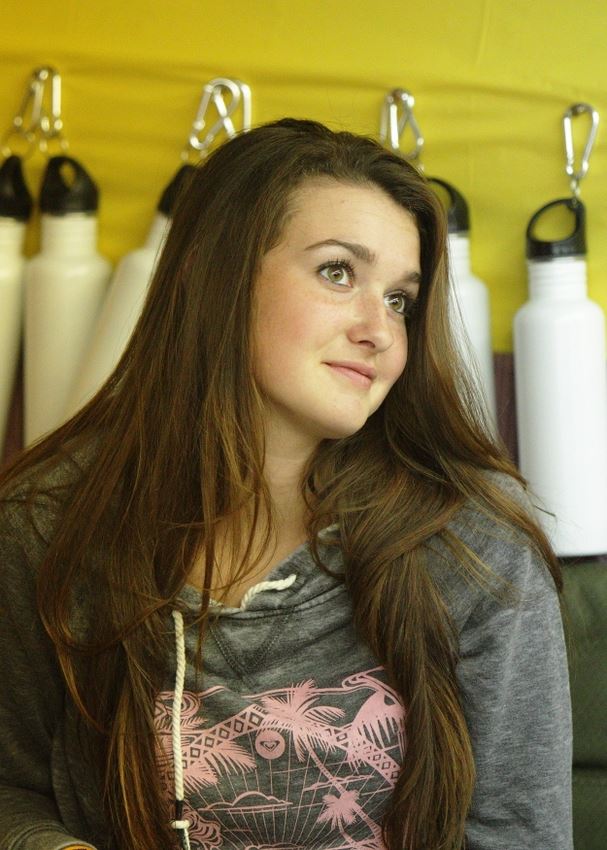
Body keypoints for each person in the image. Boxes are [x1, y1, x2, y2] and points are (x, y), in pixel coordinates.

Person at [0, 118, 571, 850]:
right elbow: (14, 787)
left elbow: (521, 834)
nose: (380, 330)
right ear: (215, 273)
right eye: (337, 272)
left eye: (400, 299)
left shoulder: (474, 538)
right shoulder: (47, 520)